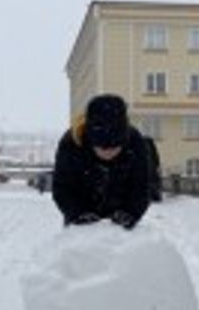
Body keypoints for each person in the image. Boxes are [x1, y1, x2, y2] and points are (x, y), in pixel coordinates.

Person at [53, 94, 150, 230]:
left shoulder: (135, 143)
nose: (108, 153)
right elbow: (62, 188)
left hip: (121, 222)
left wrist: (131, 213)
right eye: (102, 147)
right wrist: (77, 214)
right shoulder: (72, 144)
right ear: (90, 140)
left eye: (115, 147)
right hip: (81, 220)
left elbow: (141, 187)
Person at [144, 136, 162, 203]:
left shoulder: (149, 143)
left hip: (151, 168)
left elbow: (155, 156)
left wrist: (157, 165)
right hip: (148, 168)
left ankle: (154, 196)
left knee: (152, 182)